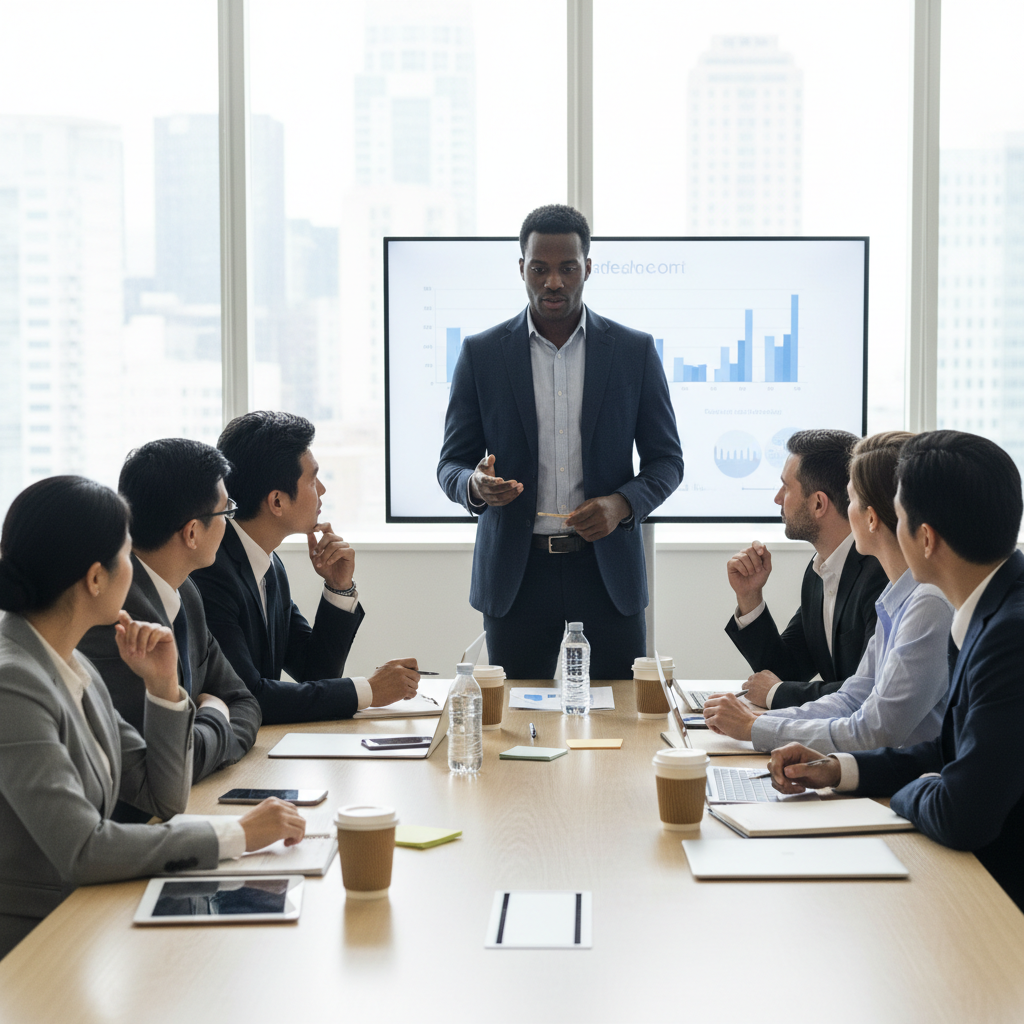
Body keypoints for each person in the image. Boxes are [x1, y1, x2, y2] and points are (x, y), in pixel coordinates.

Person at [0, 476, 305, 959]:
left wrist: (164, 689)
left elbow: (164, 794)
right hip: (32, 945)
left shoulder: (67, 662)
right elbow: (83, 849)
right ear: (96, 578)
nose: (135, 568)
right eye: (126, 553)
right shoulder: (13, 683)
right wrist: (236, 834)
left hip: (83, 919)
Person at [766, 431, 1024, 911]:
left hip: (998, 898)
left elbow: (962, 809)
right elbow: (948, 752)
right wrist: (839, 771)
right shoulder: (990, 608)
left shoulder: (1008, 637)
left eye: (898, 517)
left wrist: (903, 794)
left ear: (925, 539)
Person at [437, 204, 684, 679]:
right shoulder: (482, 354)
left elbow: (667, 462)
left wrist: (620, 505)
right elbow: (451, 463)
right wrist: (475, 485)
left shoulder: (634, 352)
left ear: (588, 268)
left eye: (567, 268)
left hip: (606, 573)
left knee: (621, 720)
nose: (554, 282)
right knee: (511, 729)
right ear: (522, 270)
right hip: (517, 575)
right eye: (540, 269)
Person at [704, 432, 953, 752]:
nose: (848, 510)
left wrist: (755, 726)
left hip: (904, 782)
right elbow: (852, 698)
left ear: (871, 517)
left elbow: (875, 730)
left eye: (853, 500)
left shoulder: (922, 599)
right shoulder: (889, 592)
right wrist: (756, 724)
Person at [192, 411, 419, 723]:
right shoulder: (211, 572)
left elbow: (315, 673)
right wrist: (368, 691)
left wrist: (339, 588)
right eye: (312, 479)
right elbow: (249, 697)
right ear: (277, 502)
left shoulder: (270, 565)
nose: (322, 489)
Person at [78, 440, 261, 817]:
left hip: (178, 809)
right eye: (226, 512)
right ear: (192, 532)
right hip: (133, 825)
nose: (230, 522)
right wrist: (216, 715)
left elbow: (244, 702)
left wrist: (211, 724)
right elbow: (167, 766)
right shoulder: (117, 616)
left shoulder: (186, 594)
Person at [723, 428, 888, 710]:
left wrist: (777, 694)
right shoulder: (818, 571)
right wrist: (750, 597)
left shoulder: (880, 574)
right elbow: (784, 673)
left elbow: (869, 690)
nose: (777, 498)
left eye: (786, 487)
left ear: (818, 503)